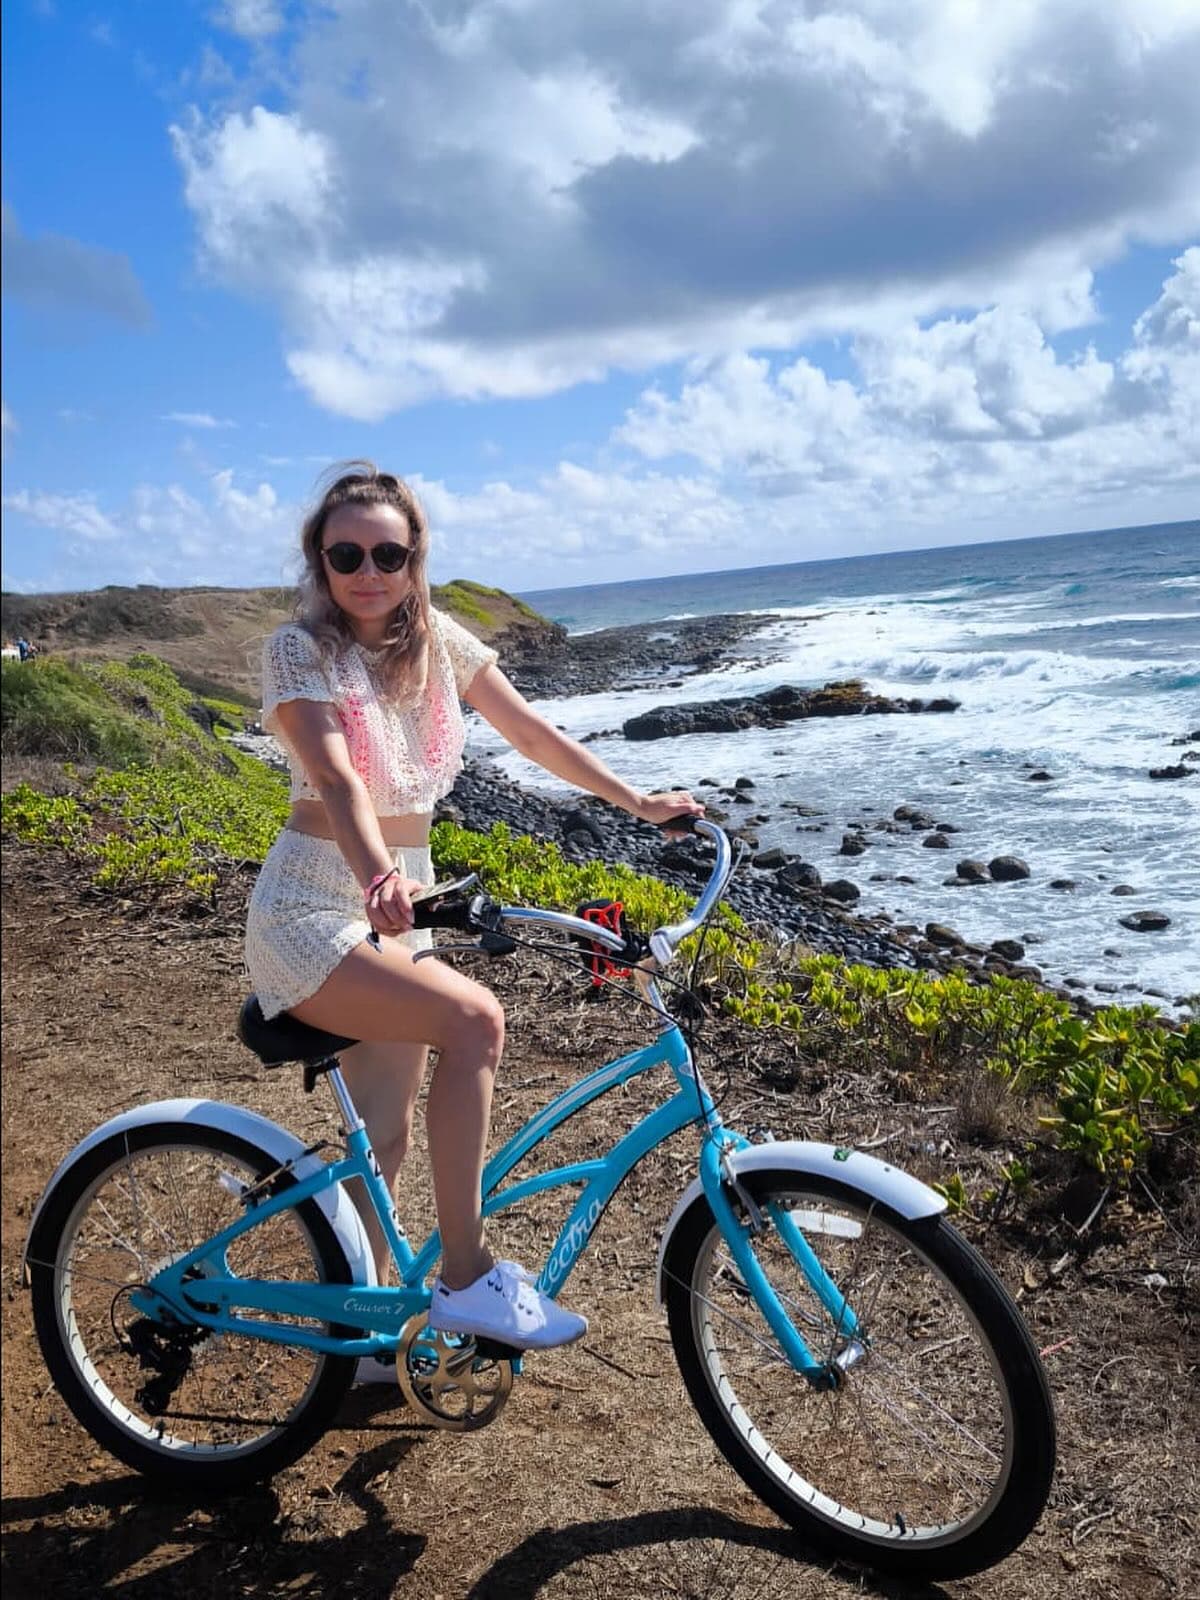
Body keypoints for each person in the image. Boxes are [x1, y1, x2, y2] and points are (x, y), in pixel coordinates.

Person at [245, 463, 703, 1371]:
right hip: (313, 903)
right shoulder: (298, 652)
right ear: (321, 560)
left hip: (398, 901)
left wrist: (637, 801)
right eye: (347, 553)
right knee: (474, 1019)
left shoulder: (438, 644)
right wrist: (377, 874)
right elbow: (336, 778)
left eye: (388, 552)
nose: (367, 570)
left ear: (415, 559)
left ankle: (370, 1335)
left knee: (388, 1133)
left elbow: (533, 735)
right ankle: (467, 1275)